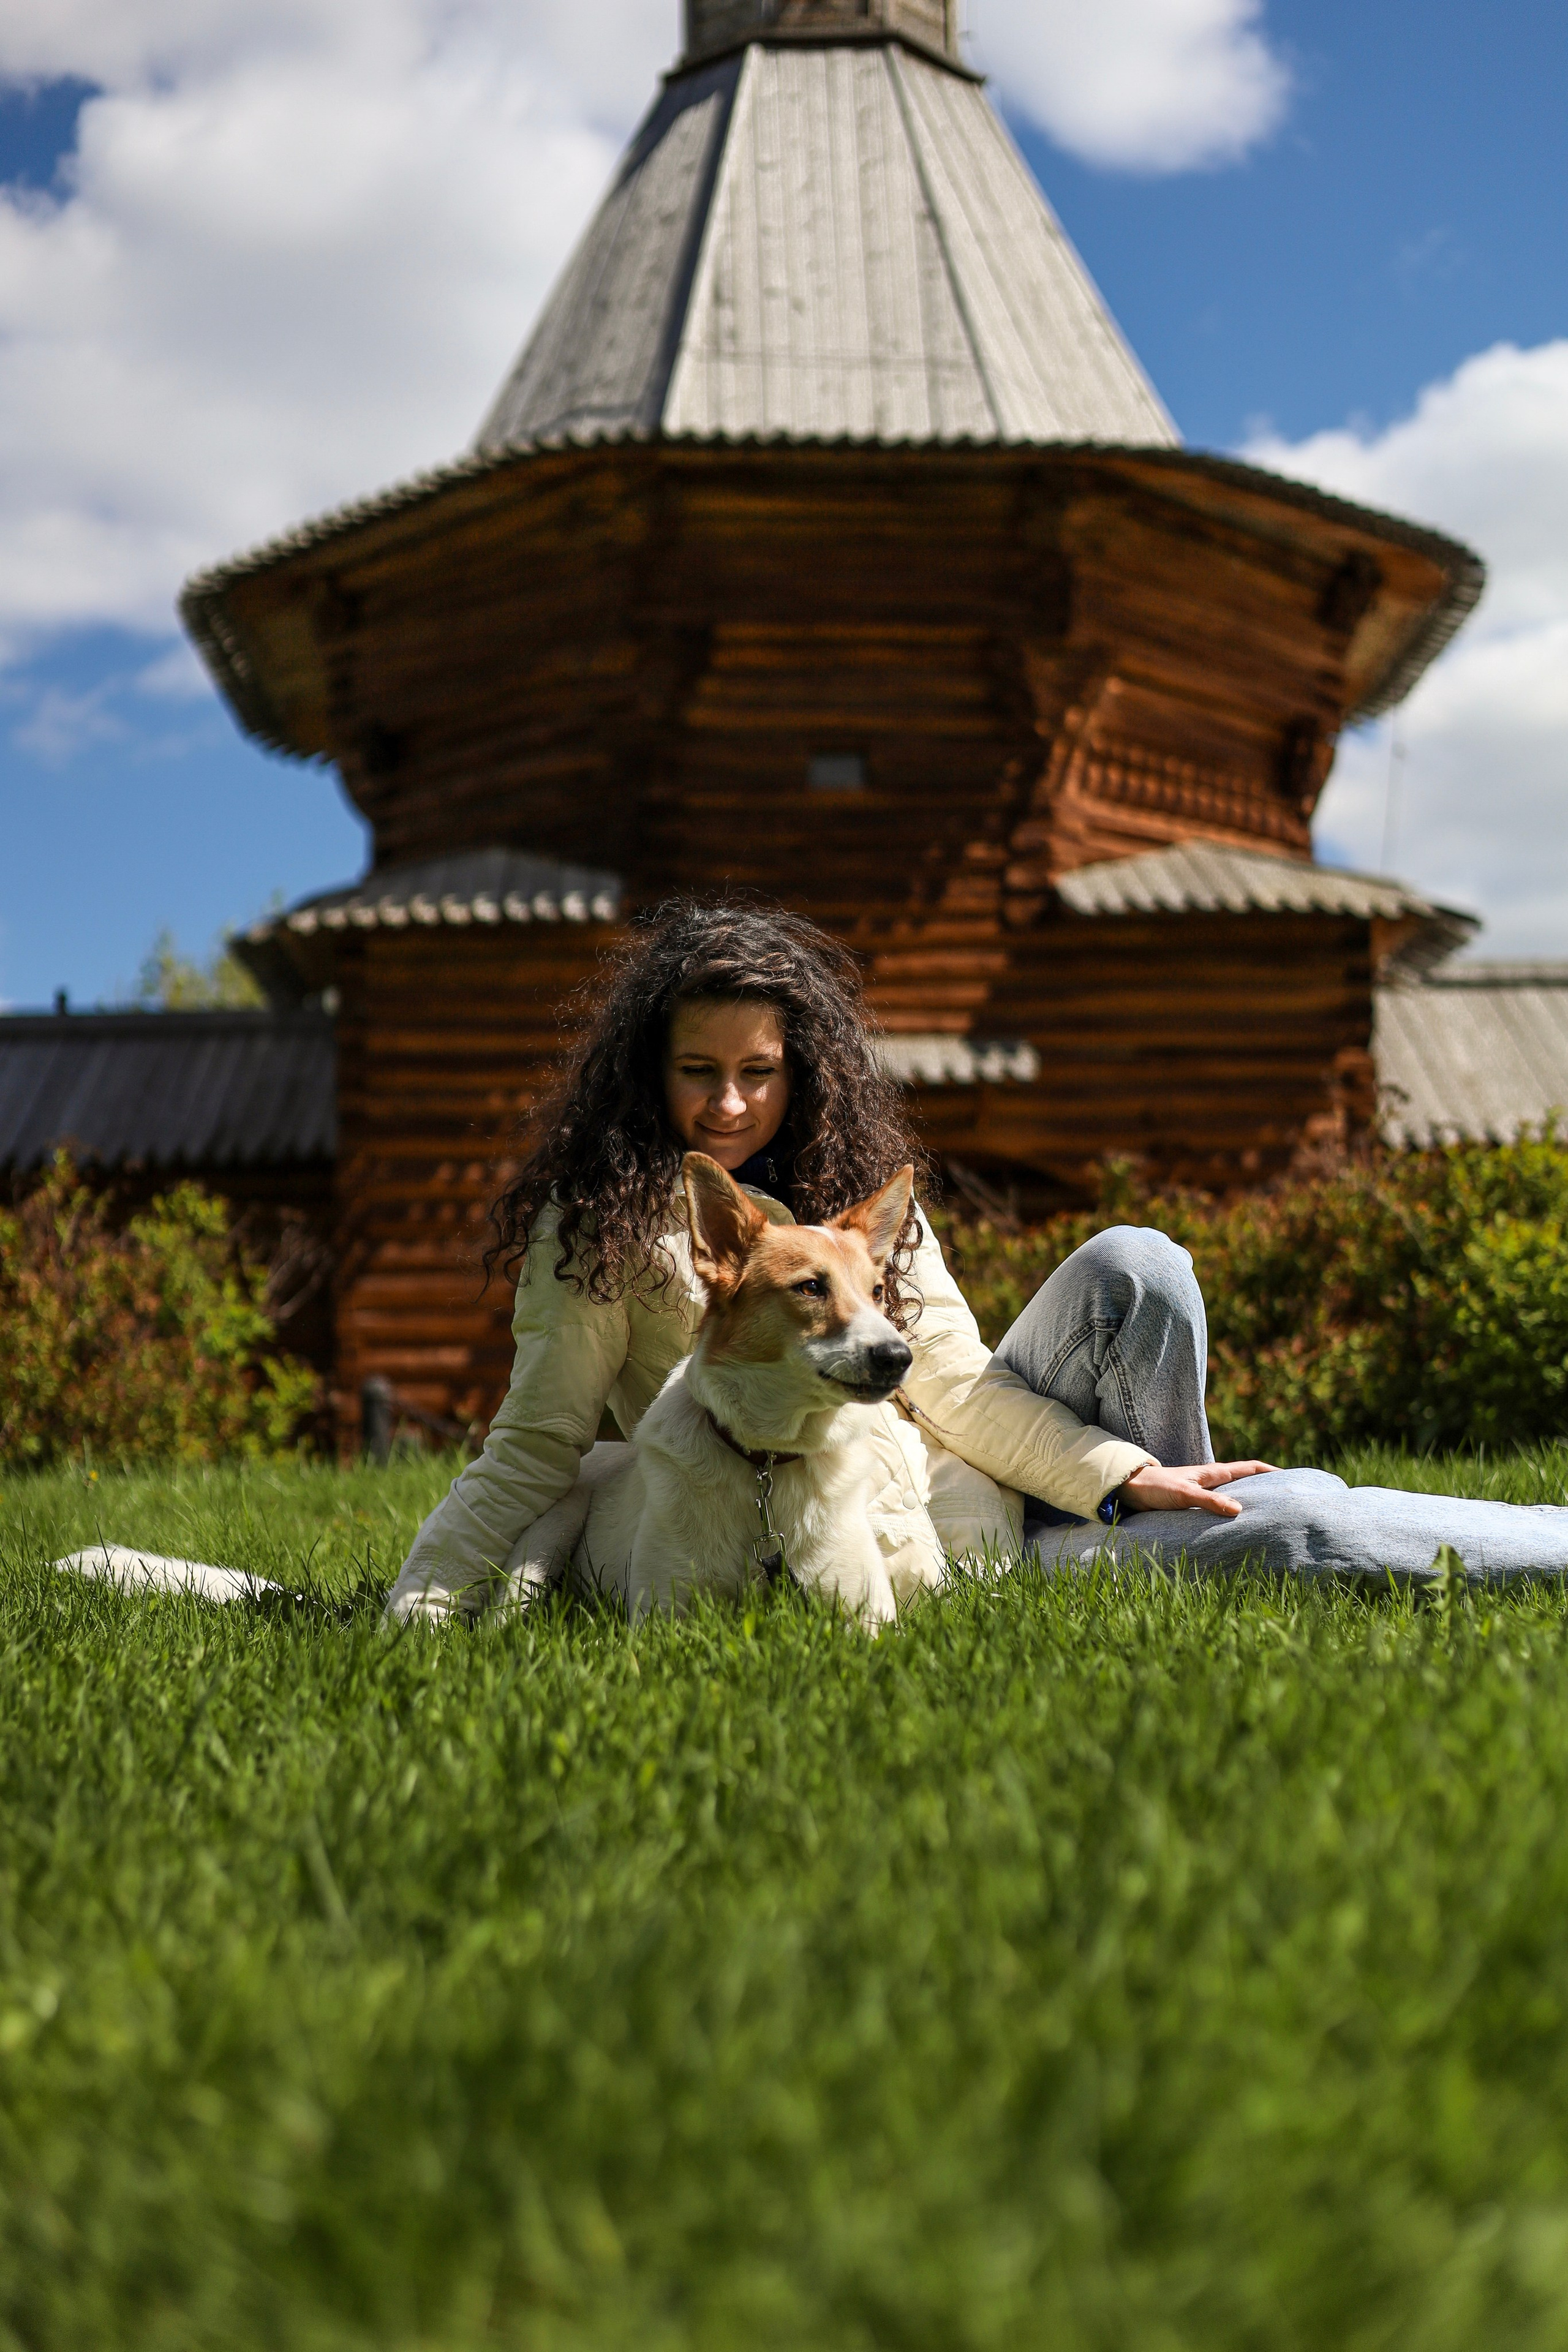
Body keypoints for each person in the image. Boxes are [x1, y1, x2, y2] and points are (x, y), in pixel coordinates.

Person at [387, 903, 1568, 1618]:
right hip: (929, 1551)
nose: (732, 1101)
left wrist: (1118, 1473)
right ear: (650, 1071)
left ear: (801, 1069)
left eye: (762, 1069)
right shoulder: (600, 1226)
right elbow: (536, 1446)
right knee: (1311, 1528)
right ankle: (1197, 1541)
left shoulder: (862, 1205)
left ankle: (1170, 1508)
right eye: (701, 1071)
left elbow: (948, 1380)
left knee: (1137, 1260)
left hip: (993, 1478)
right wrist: (423, 1599)